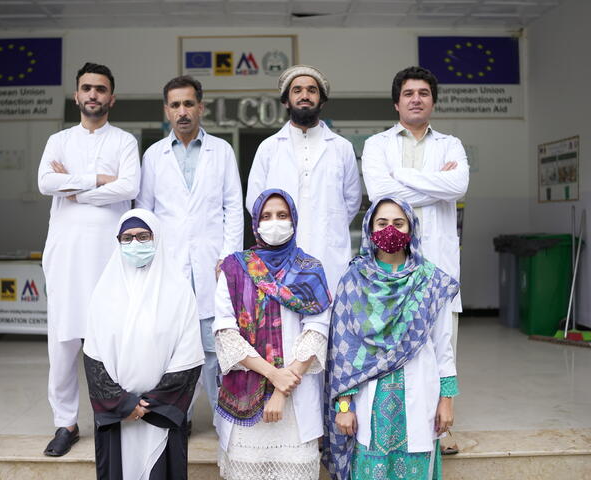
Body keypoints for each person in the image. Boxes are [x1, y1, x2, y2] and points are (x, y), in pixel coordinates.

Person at [38, 62, 140, 456]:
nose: (93, 95)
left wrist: (75, 188)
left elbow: (129, 187)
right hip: (65, 256)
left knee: (113, 341)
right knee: (62, 344)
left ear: (111, 98)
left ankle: (112, 415)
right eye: (87, 88)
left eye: (100, 89)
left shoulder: (125, 142)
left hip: (109, 256)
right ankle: (65, 423)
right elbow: (45, 183)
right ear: (77, 96)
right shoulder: (58, 140)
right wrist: (99, 180)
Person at [323, 197, 460, 480]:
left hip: (420, 394)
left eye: (399, 223)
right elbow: (342, 347)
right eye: (382, 223)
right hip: (368, 400)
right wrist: (344, 405)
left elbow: (442, 343)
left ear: (411, 229)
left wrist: (447, 400)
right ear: (370, 228)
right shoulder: (355, 278)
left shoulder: (430, 280)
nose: (390, 230)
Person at [136, 75, 243, 421]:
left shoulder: (222, 151)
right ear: (166, 110)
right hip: (169, 267)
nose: (182, 111)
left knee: (214, 349)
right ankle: (175, 417)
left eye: (188, 104)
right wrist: (149, 261)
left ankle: (222, 419)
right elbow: (145, 213)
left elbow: (233, 207)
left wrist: (228, 258)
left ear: (201, 107)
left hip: (212, 266)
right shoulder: (153, 155)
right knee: (172, 349)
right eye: (175, 105)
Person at [213, 189, 331, 479]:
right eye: (266, 216)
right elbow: (225, 332)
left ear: (293, 220)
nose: (274, 222)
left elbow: (317, 330)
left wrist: (280, 387)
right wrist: (272, 373)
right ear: (255, 222)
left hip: (294, 397)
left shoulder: (311, 270)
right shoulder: (233, 268)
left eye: (282, 215)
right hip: (246, 402)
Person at [83, 208, 204, 479]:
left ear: (156, 238)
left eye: (142, 236)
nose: (134, 243)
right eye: (127, 238)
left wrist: (149, 405)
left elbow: (189, 356)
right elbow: (93, 357)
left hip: (161, 414)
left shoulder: (179, 292)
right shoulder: (103, 293)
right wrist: (124, 405)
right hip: (119, 417)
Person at [361, 66, 469, 365]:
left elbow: (458, 186)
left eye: (424, 93)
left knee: (442, 341)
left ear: (433, 101)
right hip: (392, 261)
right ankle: (397, 410)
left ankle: (442, 407)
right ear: (397, 103)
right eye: (408, 94)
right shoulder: (377, 144)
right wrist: (438, 184)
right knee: (392, 342)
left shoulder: (450, 145)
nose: (416, 99)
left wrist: (403, 176)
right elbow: (381, 195)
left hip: (437, 260)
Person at [246, 64, 361, 293]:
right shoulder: (269, 148)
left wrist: (325, 225)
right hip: (280, 252)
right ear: (286, 101)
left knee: (328, 320)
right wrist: (278, 230)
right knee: (285, 322)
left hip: (328, 252)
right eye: (297, 90)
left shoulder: (341, 148)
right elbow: (255, 203)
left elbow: (351, 201)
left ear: (322, 100)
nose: (305, 95)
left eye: (312, 90)